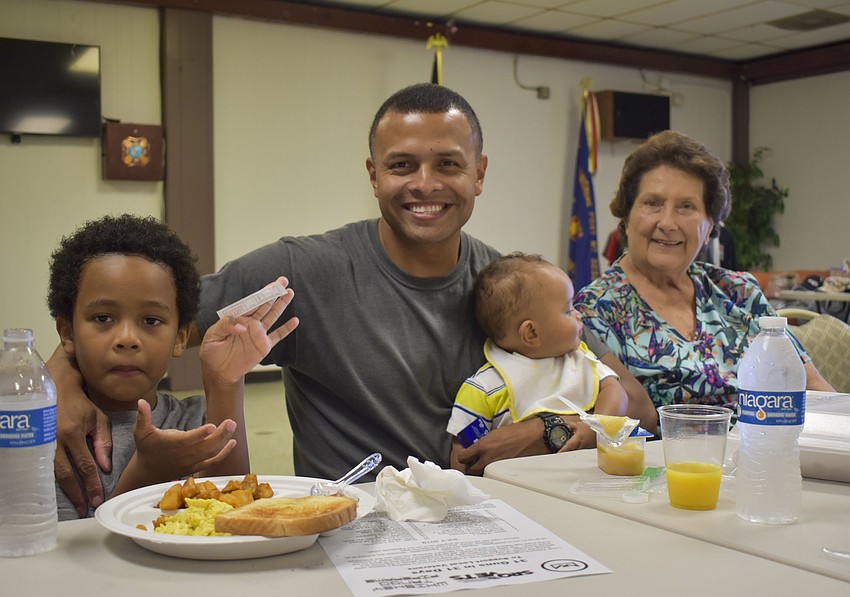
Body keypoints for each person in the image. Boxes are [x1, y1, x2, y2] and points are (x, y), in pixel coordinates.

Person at [52, 83, 654, 509]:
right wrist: (60, 381)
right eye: (401, 165)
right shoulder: (301, 270)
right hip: (349, 531)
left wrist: (566, 426)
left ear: (479, 172)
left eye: (448, 163)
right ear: (373, 174)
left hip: (490, 520)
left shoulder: (511, 285)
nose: (425, 184)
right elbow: (147, 314)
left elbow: (633, 401)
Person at [47, 214, 294, 519]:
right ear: (67, 333)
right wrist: (148, 472)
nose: (127, 339)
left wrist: (225, 384)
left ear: (180, 338)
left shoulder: (196, 420)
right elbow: (65, 554)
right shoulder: (55, 431)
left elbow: (231, 515)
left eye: (151, 321)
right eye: (103, 319)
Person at [574, 130, 834, 409]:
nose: (668, 222)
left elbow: (815, 388)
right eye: (653, 203)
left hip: (773, 445)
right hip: (669, 452)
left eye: (686, 206)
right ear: (626, 216)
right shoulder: (595, 311)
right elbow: (607, 425)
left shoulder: (738, 292)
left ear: (710, 224)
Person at [447, 253, 653, 473]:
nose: (579, 315)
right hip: (516, 491)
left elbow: (615, 389)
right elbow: (463, 453)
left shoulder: (580, 360)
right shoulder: (485, 388)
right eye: (568, 310)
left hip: (583, 483)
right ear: (532, 333)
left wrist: (596, 426)